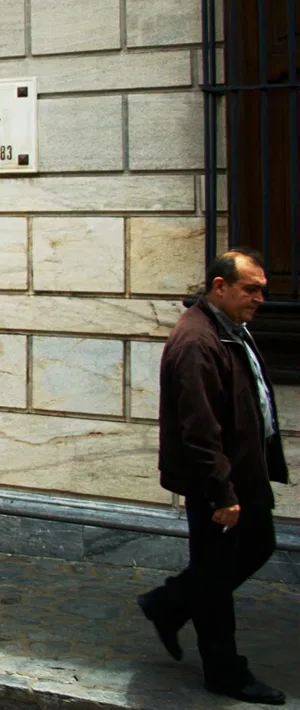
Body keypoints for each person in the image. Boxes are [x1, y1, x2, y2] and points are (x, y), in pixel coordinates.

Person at [138, 249, 289, 705]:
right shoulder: (197, 342)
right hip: (219, 482)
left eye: (263, 289)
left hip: (243, 471)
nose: (260, 298)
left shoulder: (229, 329)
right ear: (219, 287)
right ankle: (225, 672)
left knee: (256, 544)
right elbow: (199, 430)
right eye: (251, 289)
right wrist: (221, 493)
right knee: (216, 575)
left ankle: (169, 604)